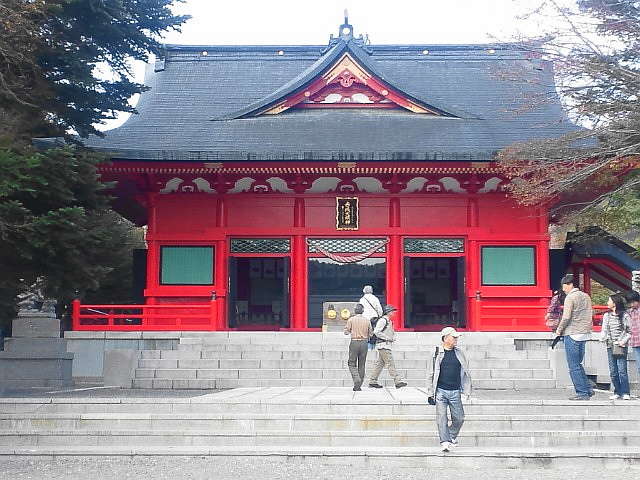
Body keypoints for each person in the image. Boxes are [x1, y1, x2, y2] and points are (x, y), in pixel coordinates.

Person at [427, 326, 472, 452]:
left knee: (459, 417)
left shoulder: (460, 353)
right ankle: (445, 441)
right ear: (445, 338)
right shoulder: (436, 353)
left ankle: (451, 435)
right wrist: (430, 393)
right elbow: (430, 373)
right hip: (440, 390)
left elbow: (466, 372)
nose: (456, 339)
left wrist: (467, 390)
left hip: (455, 391)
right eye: (454, 337)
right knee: (441, 417)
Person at [555, 274, 594, 400]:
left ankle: (582, 392)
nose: (563, 289)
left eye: (564, 286)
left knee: (573, 366)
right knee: (578, 363)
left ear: (569, 284)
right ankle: (587, 388)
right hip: (584, 333)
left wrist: (559, 330)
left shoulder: (570, 298)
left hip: (572, 332)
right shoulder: (586, 296)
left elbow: (566, 317)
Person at [600, 293, 631, 400]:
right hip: (609, 344)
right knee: (613, 370)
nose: (607, 303)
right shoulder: (606, 316)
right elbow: (604, 329)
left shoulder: (625, 316)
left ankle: (625, 392)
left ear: (615, 303)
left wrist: (623, 341)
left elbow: (629, 331)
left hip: (621, 345)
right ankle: (617, 391)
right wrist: (603, 337)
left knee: (622, 369)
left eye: (609, 301)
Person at [368, 305, 407, 389]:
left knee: (380, 364)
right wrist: (388, 338)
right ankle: (397, 381)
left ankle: (373, 381)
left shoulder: (388, 321)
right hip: (383, 345)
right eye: (392, 311)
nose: (394, 313)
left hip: (385, 345)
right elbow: (376, 331)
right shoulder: (383, 320)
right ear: (388, 312)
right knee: (390, 362)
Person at [343, 303, 373, 391]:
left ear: (355, 311)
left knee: (351, 363)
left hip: (354, 342)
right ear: (363, 311)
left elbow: (346, 332)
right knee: (362, 364)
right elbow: (371, 333)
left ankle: (356, 379)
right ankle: (359, 385)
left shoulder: (351, 320)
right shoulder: (367, 321)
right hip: (364, 343)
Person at [625, 290, 640, 393]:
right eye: (629, 302)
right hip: (635, 342)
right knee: (639, 366)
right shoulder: (629, 312)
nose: (631, 304)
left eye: (632, 302)